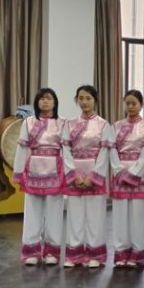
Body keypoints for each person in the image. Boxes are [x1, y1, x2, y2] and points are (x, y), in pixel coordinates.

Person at [61, 85, 113, 269]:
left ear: (95, 100)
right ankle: (74, 255)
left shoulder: (103, 125)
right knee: (74, 215)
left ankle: (94, 255)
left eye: (88, 98)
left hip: (94, 173)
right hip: (75, 173)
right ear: (77, 100)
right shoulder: (69, 124)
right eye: (81, 98)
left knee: (95, 216)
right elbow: (65, 150)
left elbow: (104, 153)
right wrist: (73, 174)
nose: (84, 102)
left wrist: (94, 176)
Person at [13, 88, 66, 266]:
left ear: (55, 102)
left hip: (55, 170)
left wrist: (68, 173)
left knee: (54, 212)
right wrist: (18, 172)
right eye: (42, 98)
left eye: (49, 98)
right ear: (37, 102)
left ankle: (52, 251)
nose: (45, 101)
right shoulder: (28, 122)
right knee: (32, 211)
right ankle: (31, 251)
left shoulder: (62, 123)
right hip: (34, 169)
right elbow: (22, 148)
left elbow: (67, 150)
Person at [109, 90, 144, 269]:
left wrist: (134, 173)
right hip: (120, 175)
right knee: (120, 216)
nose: (130, 106)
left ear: (141, 105)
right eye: (127, 103)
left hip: (139, 176)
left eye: (134, 103)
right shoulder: (116, 126)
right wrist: (119, 171)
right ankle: (121, 253)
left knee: (138, 217)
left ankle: (137, 254)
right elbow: (112, 150)